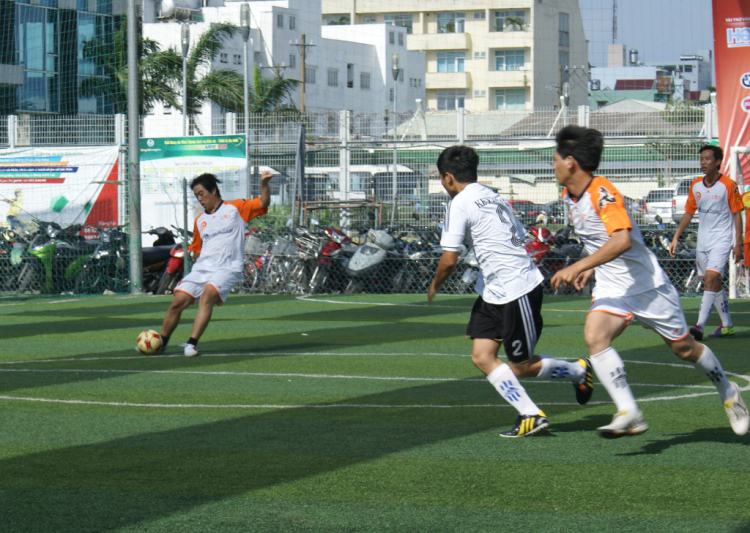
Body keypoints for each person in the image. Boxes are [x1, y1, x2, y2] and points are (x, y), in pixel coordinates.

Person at [549, 125, 748, 438]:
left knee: (684, 349)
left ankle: (728, 391)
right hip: (613, 287)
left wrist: (579, 266)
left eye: (555, 158)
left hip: (648, 286)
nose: (553, 165)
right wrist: (592, 268)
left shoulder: (602, 193)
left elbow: (622, 241)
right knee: (595, 335)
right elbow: (602, 241)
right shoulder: (569, 195)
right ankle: (630, 412)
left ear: (570, 161)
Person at [428, 145, 594, 438]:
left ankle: (578, 371)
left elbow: (449, 259)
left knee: (522, 367)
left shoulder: (459, 202)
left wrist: (434, 285)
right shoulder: (492, 196)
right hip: (493, 290)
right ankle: (530, 414)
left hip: (517, 290)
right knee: (481, 356)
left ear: (448, 177)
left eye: (442, 179)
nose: (443, 185)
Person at [152, 171, 273, 357]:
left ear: (213, 190)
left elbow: (263, 203)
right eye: (196, 196)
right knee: (178, 302)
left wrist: (264, 183)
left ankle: (191, 344)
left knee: (208, 295)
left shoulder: (236, 208)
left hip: (228, 268)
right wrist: (192, 270)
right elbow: (197, 249)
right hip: (202, 268)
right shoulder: (200, 220)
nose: (199, 199)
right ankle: (161, 342)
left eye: (201, 194)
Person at [669, 145, 744, 339]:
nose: (703, 162)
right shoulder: (696, 185)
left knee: (711, 279)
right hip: (703, 241)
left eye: (707, 159)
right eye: (701, 158)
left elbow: (737, 214)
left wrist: (738, 244)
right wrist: (677, 236)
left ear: (718, 162)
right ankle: (727, 325)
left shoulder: (728, 184)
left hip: (722, 239)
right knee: (714, 283)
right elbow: (688, 213)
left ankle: (699, 325)